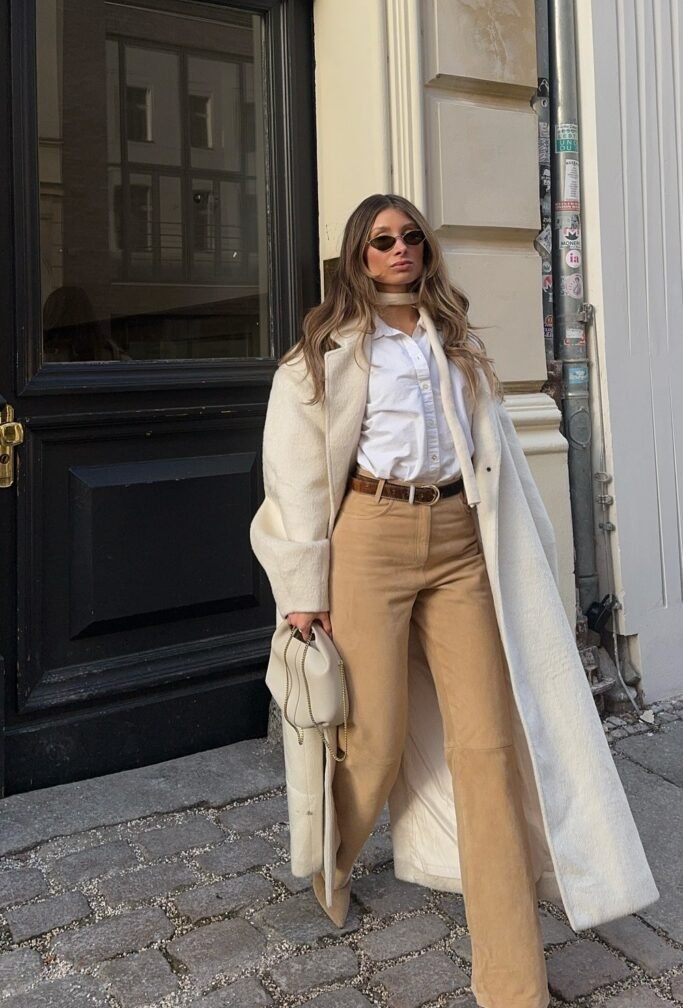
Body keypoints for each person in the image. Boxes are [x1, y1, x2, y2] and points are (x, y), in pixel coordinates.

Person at [250, 193, 658, 1008]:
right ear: (357, 259)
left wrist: (531, 560)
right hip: (368, 536)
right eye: (380, 242)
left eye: (408, 238)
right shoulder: (321, 352)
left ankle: (512, 981)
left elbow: (496, 453)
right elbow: (291, 471)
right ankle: (329, 861)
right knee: (374, 738)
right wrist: (302, 591)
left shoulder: (454, 338)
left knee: (487, 749)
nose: (398, 250)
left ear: (424, 249)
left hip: (458, 539)